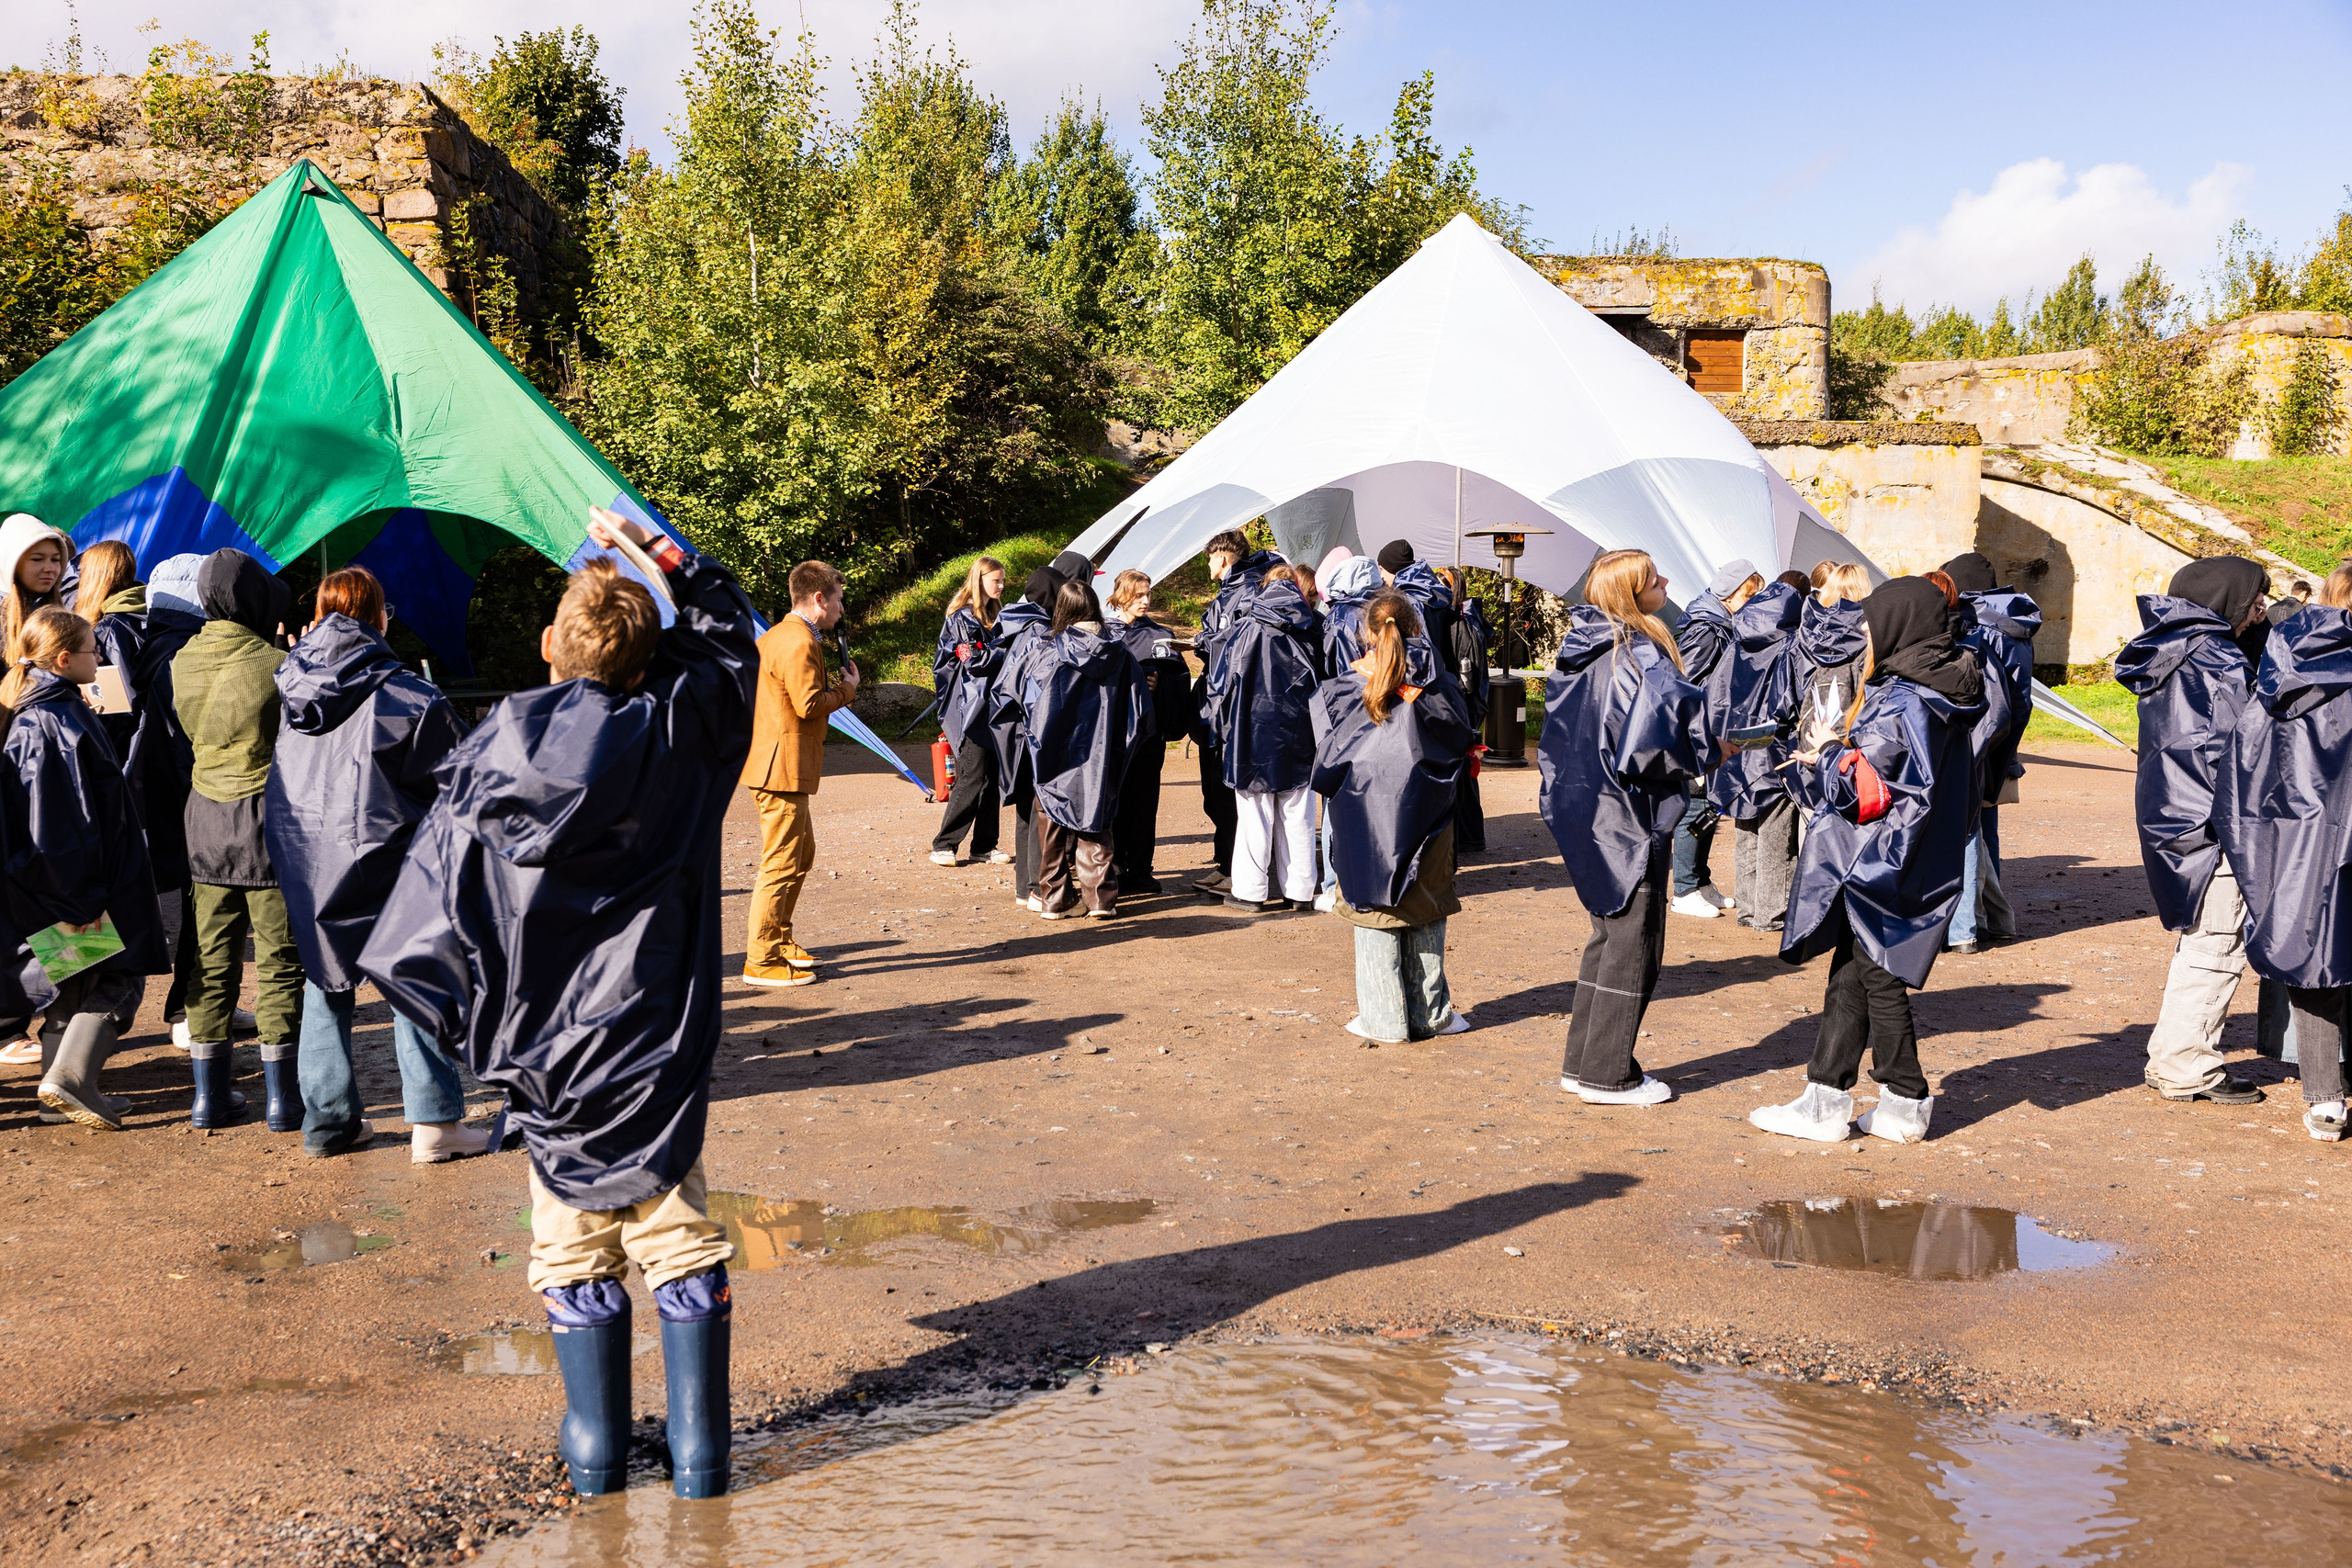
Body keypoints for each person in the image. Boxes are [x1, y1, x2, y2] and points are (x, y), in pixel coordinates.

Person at [360, 509, 758, 1499]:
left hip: (544, 1047)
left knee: (571, 1249)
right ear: (648, 656)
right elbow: (729, 633)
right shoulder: (683, 733)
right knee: (676, 1232)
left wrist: (481, 1039)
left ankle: (598, 1471)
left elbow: (418, 934)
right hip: (655, 1028)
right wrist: (656, 549)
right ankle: (702, 1469)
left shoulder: (484, 761)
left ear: (547, 645)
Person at [266, 567, 509, 1161]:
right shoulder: (409, 695)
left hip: (306, 856)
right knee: (413, 982)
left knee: (325, 984)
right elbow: (463, 789)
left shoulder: (292, 691)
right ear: (379, 617)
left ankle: (327, 1125)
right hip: (390, 858)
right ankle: (434, 1122)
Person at [1750, 576, 2001, 1145]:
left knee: (1877, 973)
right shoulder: (1943, 686)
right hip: (1916, 850)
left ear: (1898, 625)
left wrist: (1822, 757)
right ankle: (1831, 1094)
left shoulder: (1901, 699)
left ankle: (1903, 1096)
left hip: (1879, 855)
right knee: (1855, 970)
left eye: (1870, 620)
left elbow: (1867, 793)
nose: (1862, 630)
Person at [1538, 549, 1710, 1106]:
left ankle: (1583, 1061)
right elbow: (1656, 745)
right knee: (1634, 943)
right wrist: (1713, 747)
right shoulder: (1641, 655)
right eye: (1653, 578)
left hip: (1584, 809)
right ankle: (1609, 1074)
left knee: (1608, 934)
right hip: (1630, 816)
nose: (1665, 581)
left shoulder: (1580, 650)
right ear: (1632, 594)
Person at [6, 607, 172, 1131]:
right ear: (62, 659)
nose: (99, 658)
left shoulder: (44, 709)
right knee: (119, 978)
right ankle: (71, 1078)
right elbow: (61, 824)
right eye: (91, 650)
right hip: (78, 887)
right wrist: (83, 900)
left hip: (62, 884)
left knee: (74, 981)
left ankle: (62, 1093)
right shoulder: (52, 721)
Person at [2114, 557, 2270, 1106]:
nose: (2261, 611)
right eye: (2255, 602)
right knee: (2216, 942)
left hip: (2174, 812)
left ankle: (2173, 1055)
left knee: (2201, 936)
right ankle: (2186, 1066)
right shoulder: (2218, 660)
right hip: (2213, 821)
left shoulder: (2176, 649)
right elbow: (2243, 748)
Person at [2220, 560, 2352, 1142]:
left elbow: (2250, 757)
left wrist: (2268, 833)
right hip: (2320, 828)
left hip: (2307, 836)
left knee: (2315, 952)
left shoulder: (2284, 660)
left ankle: (2326, 1098)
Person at [173, 548, 305, 1132]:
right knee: (279, 960)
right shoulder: (276, 663)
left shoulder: (180, 661)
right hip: (265, 823)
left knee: (210, 960)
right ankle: (283, 1100)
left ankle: (209, 1098)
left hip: (203, 818)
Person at [1314, 591, 1476, 1043]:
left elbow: (1324, 761)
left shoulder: (1343, 689)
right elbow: (1460, 738)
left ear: (1366, 632)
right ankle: (1432, 1013)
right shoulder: (1438, 686)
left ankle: (1384, 1017)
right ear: (1417, 628)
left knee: (1373, 912)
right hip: (1428, 812)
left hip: (1362, 814)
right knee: (1425, 903)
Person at [740, 558, 859, 987]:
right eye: (839, 601)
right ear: (819, 598)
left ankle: (780, 940)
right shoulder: (798, 642)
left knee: (800, 855)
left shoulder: (779, 636)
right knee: (781, 862)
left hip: (777, 764)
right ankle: (762, 959)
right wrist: (847, 690)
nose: (842, 610)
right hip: (781, 768)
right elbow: (808, 704)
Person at [1024, 578, 1153, 919]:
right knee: (1097, 820)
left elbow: (1027, 699)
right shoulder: (1120, 653)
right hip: (1102, 752)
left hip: (1052, 752)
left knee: (1050, 820)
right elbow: (1140, 712)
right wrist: (1121, 748)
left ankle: (1055, 899)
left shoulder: (1048, 649)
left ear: (1063, 610)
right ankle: (1100, 899)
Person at [1204, 560, 1325, 913]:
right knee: (1298, 814)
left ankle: (1251, 891)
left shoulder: (1247, 627)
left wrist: (1220, 726)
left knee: (1255, 813)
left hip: (1252, 729)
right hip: (1302, 730)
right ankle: (1301, 890)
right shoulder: (1314, 625)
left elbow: (1224, 681)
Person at [1940, 551, 2041, 954]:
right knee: (1986, 830)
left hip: (1976, 738)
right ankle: (1992, 918)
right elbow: (2020, 699)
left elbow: (1986, 696)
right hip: (2003, 740)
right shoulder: (2016, 622)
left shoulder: (1978, 626)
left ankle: (1970, 922)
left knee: (1966, 832)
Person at [143, 552, 224, 1044]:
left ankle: (66, 1037)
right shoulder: (185, 657)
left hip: (138, 803)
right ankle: (191, 1011)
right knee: (202, 908)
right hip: (184, 800)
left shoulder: (136, 644)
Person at [1711, 574, 1805, 932]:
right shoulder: (1791, 645)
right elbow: (1787, 704)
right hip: (1771, 746)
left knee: (1746, 827)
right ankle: (1771, 913)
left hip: (1736, 746)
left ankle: (1749, 909)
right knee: (1776, 835)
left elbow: (1716, 694)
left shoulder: (1738, 639)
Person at [1190, 531, 1280, 894]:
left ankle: (1238, 870)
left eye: (1210, 558)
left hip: (1232, 706)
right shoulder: (1230, 592)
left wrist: (1203, 642)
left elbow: (1236, 646)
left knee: (1229, 793)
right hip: (1216, 703)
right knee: (1215, 793)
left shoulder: (1248, 593)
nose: (1208, 565)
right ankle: (1224, 862)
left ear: (1223, 558)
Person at [1668, 560, 1758, 919]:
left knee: (1708, 801)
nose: (1752, 602)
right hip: (1697, 726)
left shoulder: (1717, 622)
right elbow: (1685, 680)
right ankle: (1685, 889)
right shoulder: (1707, 629)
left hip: (1707, 724)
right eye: (1749, 595)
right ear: (1732, 594)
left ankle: (1699, 881)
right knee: (1694, 800)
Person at [982, 567, 1065, 910]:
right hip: (1030, 729)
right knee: (1037, 805)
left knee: (1024, 807)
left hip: (1010, 727)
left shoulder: (1015, 624)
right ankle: (1035, 886)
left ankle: (1023, 887)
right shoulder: (1038, 631)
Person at [1106, 570, 1190, 896]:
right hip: (1113, 735)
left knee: (1144, 803)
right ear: (1121, 595)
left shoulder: (1161, 635)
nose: (1145, 601)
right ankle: (1112, 867)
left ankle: (1140, 868)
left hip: (1147, 735)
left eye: (1148, 594)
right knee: (1113, 802)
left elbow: (1180, 680)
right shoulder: (1105, 634)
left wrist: (1160, 684)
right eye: (1138, 595)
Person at [928, 556, 1011, 869]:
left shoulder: (995, 614)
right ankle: (944, 844)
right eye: (996, 581)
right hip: (969, 708)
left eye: (1003, 581)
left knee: (992, 778)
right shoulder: (962, 617)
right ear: (980, 580)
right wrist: (1010, 649)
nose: (1001, 586)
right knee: (972, 775)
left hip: (993, 707)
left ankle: (984, 845)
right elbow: (973, 660)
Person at [1792, 563, 1871, 754]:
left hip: (1800, 746)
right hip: (1844, 754)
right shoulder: (1869, 640)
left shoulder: (1803, 635)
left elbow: (1786, 696)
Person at [1376, 540, 1457, 666]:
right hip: (1443, 673)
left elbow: (1420, 647)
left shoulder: (1409, 601)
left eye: (1382, 569)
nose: (1381, 576)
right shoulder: (1433, 592)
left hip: (1423, 677)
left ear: (1393, 567)